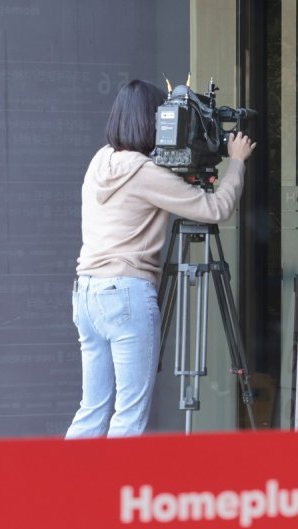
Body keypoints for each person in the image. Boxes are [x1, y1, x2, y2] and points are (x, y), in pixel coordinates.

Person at [65, 79, 256, 438]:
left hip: (88, 293)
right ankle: (118, 479)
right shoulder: (146, 174)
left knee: (91, 410)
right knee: (128, 417)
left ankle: (65, 477)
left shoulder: (100, 161)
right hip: (125, 294)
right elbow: (216, 208)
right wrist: (236, 162)